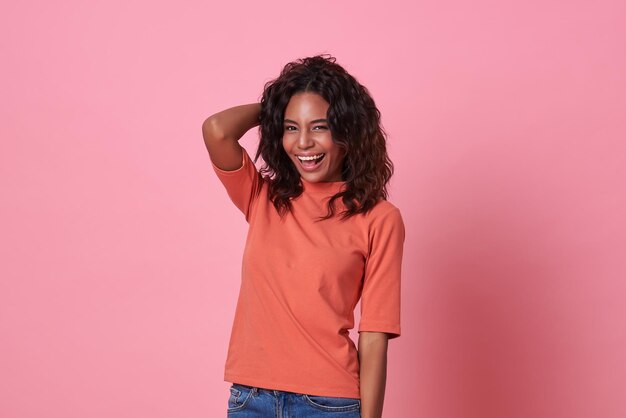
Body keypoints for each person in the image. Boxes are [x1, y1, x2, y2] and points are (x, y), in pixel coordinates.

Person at [202, 54, 405, 418]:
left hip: (328, 405)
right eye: (291, 128)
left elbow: (374, 337)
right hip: (251, 400)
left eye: (320, 127)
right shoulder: (263, 198)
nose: (303, 143)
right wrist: (276, 104)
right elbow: (217, 129)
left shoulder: (379, 219)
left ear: (348, 132)